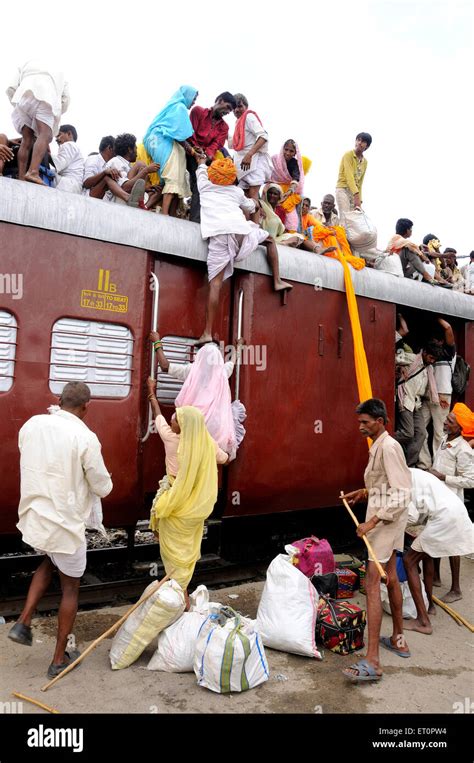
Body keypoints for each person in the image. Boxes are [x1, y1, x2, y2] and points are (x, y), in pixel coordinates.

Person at [8, 382, 112, 677]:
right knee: (70, 588)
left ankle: (24, 620)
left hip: (35, 518)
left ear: (59, 400)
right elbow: (102, 486)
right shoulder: (85, 436)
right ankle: (58, 659)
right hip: (64, 524)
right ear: (85, 408)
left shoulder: (32, 424)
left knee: (49, 560)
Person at [341, 398, 411, 682]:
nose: (360, 427)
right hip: (388, 519)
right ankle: (397, 638)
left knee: (372, 584)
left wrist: (371, 521)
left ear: (380, 422)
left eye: (365, 422)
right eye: (359, 422)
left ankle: (373, 661)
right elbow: (386, 485)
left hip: (384, 522)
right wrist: (365, 491)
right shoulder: (379, 445)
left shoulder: (390, 447)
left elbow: (403, 492)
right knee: (391, 576)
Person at [195, 154, 292, 343]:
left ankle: (207, 332)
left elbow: (201, 170)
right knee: (270, 240)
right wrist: (256, 203)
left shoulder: (204, 186)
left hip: (220, 237)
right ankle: (278, 280)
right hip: (241, 234)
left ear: (213, 175)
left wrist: (200, 162)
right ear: (231, 178)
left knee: (215, 284)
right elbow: (250, 206)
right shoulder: (236, 192)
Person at [146, 377, 228, 593]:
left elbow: (158, 418)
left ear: (182, 425)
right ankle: (180, 589)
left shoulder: (170, 439)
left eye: (176, 419)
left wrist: (152, 394)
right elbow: (225, 458)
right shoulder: (207, 443)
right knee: (187, 548)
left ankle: (178, 594)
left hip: (175, 501)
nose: (172, 421)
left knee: (171, 546)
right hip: (195, 506)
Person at [150, 332, 245, 460]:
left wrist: (157, 342)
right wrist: (238, 347)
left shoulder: (192, 371)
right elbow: (232, 362)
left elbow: (165, 366)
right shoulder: (222, 372)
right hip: (215, 432)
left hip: (191, 428)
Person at [403, 468, 474, 634]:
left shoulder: (402, 479)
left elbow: (412, 516)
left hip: (444, 518)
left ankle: (423, 621)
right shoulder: (415, 472)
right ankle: (430, 606)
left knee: (409, 561)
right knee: (427, 555)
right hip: (454, 512)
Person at [429, 404, 474, 603]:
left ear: (460, 428)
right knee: (437, 537)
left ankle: (456, 589)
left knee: (452, 545)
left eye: (450, 421)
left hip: (452, 503)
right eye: (447, 419)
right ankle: (437, 577)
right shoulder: (445, 440)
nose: (445, 422)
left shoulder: (464, 450)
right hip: (438, 499)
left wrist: (442, 476)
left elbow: (471, 480)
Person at [7, 60, 70, 184]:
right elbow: (66, 99)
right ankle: (33, 172)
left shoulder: (27, 63)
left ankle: (21, 177)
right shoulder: (60, 71)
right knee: (45, 134)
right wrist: (55, 112)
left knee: (27, 139)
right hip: (46, 95)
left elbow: (11, 87)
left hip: (23, 94)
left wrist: (18, 104)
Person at [143, 86, 199, 216]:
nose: (194, 102)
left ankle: (152, 208)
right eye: (194, 98)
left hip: (155, 141)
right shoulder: (179, 108)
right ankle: (166, 214)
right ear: (187, 96)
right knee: (173, 177)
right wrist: (192, 151)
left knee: (171, 179)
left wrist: (190, 149)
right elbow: (178, 135)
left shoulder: (172, 106)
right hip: (164, 142)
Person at [186, 92, 237, 222]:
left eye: (230, 110)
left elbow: (216, 145)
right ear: (219, 100)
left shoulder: (224, 127)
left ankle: (206, 221)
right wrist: (196, 149)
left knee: (209, 183)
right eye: (227, 107)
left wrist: (206, 155)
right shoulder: (198, 111)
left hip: (205, 158)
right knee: (193, 182)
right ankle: (193, 220)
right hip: (189, 151)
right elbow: (189, 133)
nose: (228, 111)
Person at [395, 341, 443, 466]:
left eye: (434, 359)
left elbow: (426, 389)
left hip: (416, 404)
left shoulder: (429, 368)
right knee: (407, 433)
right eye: (431, 357)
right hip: (405, 399)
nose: (432, 361)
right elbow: (393, 357)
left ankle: (408, 465)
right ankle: (384, 441)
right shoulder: (411, 358)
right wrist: (399, 368)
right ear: (425, 352)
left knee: (421, 434)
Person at [418, 318, 456, 469]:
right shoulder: (431, 353)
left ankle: (438, 466)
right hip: (428, 395)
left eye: (437, 340)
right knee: (420, 430)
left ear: (442, 341)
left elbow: (448, 328)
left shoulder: (449, 352)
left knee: (439, 433)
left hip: (442, 394)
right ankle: (425, 463)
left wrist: (435, 316)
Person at [301, 197, 365, 269]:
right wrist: (325, 230)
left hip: (329, 243)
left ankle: (337, 254)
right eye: (325, 203)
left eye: (329, 204)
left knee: (338, 233)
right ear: (321, 204)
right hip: (314, 239)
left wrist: (329, 230)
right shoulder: (313, 213)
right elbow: (313, 228)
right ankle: (323, 250)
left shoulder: (335, 218)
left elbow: (331, 230)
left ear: (333, 206)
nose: (326, 205)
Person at [230, 94, 273, 201]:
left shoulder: (249, 117)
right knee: (244, 198)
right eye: (234, 107)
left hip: (254, 163)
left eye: (240, 106)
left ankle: (254, 219)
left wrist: (249, 155)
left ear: (246, 106)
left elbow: (263, 136)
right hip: (243, 166)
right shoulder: (238, 122)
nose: (236, 110)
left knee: (253, 196)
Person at [103, 133, 157, 207]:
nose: (137, 151)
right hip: (116, 203)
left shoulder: (127, 165)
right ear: (129, 149)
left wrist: (145, 188)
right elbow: (124, 188)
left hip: (124, 203)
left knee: (157, 191)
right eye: (135, 147)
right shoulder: (116, 162)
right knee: (140, 165)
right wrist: (146, 171)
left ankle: (142, 204)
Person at [335, 132, 372, 224]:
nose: (359, 143)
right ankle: (341, 238)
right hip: (343, 189)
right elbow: (349, 176)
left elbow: (360, 183)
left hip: (354, 194)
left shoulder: (365, 162)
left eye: (363, 141)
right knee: (345, 218)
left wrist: (360, 201)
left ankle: (347, 238)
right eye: (358, 140)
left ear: (367, 146)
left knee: (353, 222)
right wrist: (356, 196)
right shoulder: (348, 155)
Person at [386, 219, 437, 284]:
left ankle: (433, 278)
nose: (411, 231)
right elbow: (411, 245)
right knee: (408, 250)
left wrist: (423, 256)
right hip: (394, 268)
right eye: (411, 229)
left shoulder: (402, 241)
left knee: (420, 256)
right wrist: (423, 256)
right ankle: (426, 276)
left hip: (401, 270)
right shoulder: (396, 238)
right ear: (407, 230)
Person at [270, 139, 305, 232]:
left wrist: (289, 192)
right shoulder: (274, 159)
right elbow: (267, 175)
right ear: (282, 149)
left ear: (295, 153)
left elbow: (296, 179)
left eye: (291, 151)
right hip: (272, 189)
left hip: (290, 192)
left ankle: (288, 234)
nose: (288, 153)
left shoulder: (294, 163)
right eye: (286, 149)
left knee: (291, 216)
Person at [54, 124, 84, 194]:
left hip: (67, 185)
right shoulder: (75, 147)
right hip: (74, 187)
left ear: (69, 134)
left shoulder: (68, 144)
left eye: (59, 135)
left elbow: (59, 163)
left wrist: (44, 153)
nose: (56, 139)